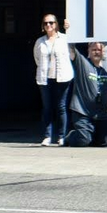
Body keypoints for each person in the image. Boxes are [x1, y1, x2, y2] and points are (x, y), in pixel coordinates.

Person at [65, 40, 107, 147]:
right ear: (88, 51)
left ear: (103, 52)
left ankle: (91, 135)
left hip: (102, 114)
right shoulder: (82, 62)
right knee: (83, 140)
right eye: (93, 50)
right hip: (83, 113)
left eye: (99, 50)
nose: (96, 52)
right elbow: (72, 50)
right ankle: (72, 136)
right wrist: (70, 33)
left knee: (104, 142)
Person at [34, 13, 74, 146]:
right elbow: (37, 59)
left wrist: (71, 32)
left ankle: (61, 136)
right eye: (45, 23)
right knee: (47, 107)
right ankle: (47, 136)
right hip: (45, 78)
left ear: (56, 24)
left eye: (51, 22)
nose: (48, 25)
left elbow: (72, 56)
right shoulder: (40, 41)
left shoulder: (65, 39)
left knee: (61, 107)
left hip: (63, 77)